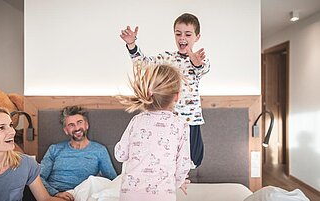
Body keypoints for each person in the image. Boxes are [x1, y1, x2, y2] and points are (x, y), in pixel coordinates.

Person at [120, 13, 210, 167]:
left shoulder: (199, 59)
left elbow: (202, 69)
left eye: (188, 34)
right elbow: (143, 64)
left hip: (190, 120)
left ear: (197, 37)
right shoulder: (166, 57)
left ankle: (182, 179)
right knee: (166, 156)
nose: (182, 37)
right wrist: (131, 45)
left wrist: (196, 63)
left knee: (194, 158)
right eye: (178, 33)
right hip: (166, 119)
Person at [115, 63, 191, 201]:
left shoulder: (136, 121)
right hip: (162, 195)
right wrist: (177, 183)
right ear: (176, 96)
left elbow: (120, 155)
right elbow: (183, 165)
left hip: (130, 195)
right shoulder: (180, 125)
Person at [0, 106, 62, 201]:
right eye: (1, 128)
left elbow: (45, 199)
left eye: (10, 125)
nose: (12, 132)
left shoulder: (26, 163)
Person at [40, 105, 117, 201]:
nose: (77, 128)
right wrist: (56, 193)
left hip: (82, 195)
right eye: (71, 125)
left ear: (86, 125)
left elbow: (113, 181)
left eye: (79, 122)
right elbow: (39, 178)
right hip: (54, 196)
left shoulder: (99, 150)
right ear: (66, 130)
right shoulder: (54, 149)